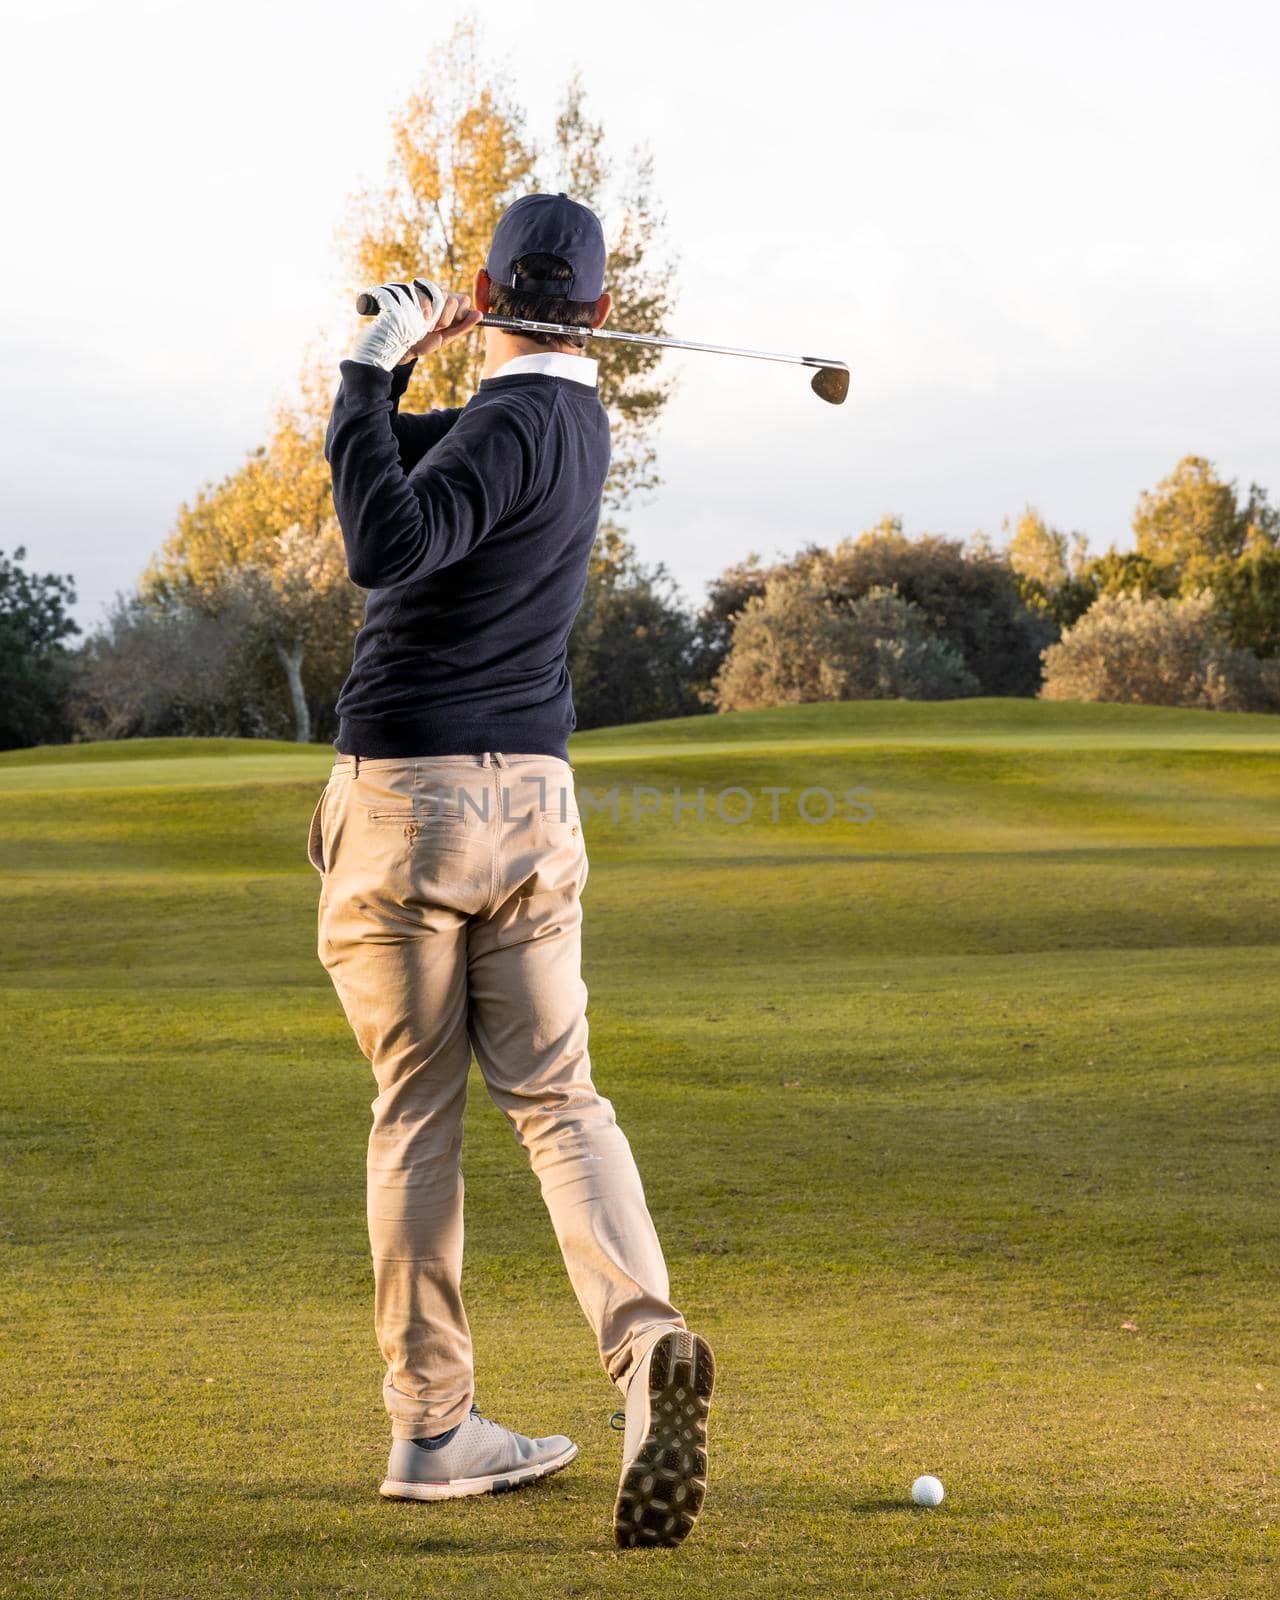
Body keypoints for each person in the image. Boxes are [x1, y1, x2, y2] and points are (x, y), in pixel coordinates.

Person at [306, 192, 715, 1549]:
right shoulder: (573, 425)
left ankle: (433, 1424)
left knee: (418, 1111)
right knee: (556, 1098)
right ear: (598, 311)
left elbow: (386, 539)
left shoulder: (514, 424)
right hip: (530, 807)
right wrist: (389, 375)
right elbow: (414, 456)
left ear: (487, 288)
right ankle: (643, 1343)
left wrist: (374, 368)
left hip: (408, 800)